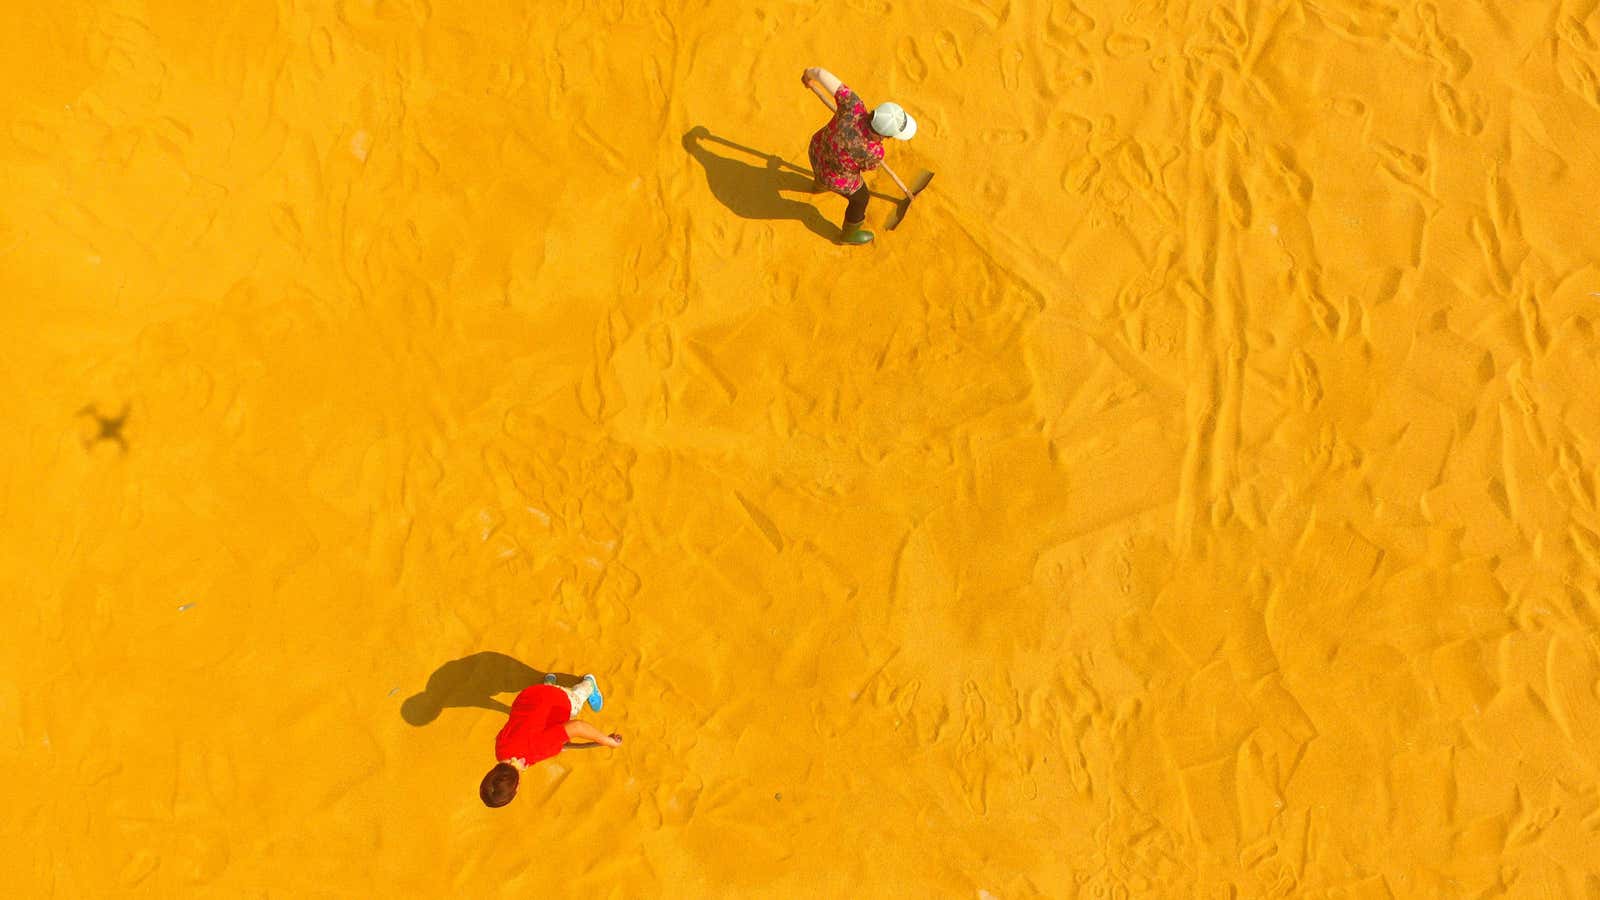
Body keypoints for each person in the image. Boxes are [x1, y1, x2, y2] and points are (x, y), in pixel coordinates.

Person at [800, 66, 918, 245]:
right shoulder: (875, 152)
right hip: (833, 175)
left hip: (816, 150)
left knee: (823, 169)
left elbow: (821, 74)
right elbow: (864, 169)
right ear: (887, 135)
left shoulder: (853, 105)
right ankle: (848, 235)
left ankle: (818, 185)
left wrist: (808, 76)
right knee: (861, 197)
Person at [479, 673, 621, 809]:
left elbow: (577, 727)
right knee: (540, 705)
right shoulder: (500, 751)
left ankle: (589, 684)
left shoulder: (537, 750)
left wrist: (608, 741)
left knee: (576, 700)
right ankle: (548, 685)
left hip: (559, 699)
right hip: (529, 696)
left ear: (516, 788)